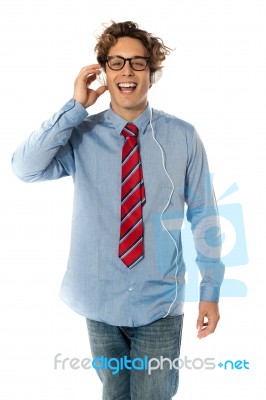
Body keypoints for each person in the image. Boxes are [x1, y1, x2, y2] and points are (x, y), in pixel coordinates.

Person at [12, 21, 224, 400]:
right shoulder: (80, 135)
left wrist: (211, 290)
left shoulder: (183, 136)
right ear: (103, 73)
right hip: (99, 298)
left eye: (138, 63)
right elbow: (25, 168)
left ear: (152, 72)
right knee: (114, 393)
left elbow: (204, 215)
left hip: (160, 300)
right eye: (116, 62)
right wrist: (75, 107)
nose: (127, 71)